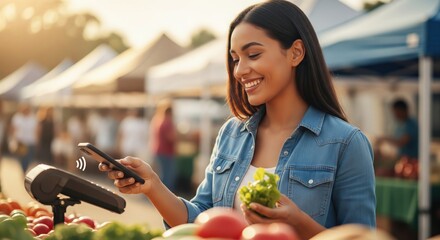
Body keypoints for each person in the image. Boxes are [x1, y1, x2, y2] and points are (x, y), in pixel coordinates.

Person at [99, 1, 376, 239]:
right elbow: (202, 222)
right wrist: (154, 186)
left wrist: (297, 223)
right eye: (234, 59)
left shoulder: (346, 143)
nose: (240, 70)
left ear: (296, 53)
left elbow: (363, 237)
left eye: (253, 54)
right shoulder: (232, 133)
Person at [150, 100, 177, 192]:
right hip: (166, 151)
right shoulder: (167, 122)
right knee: (167, 175)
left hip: (158, 150)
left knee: (160, 174)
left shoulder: (157, 120)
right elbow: (171, 137)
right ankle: (166, 195)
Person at [10, 102, 38, 174]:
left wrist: (37, 139)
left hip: (30, 141)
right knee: (22, 158)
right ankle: (24, 170)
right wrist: (13, 139)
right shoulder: (17, 117)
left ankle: (25, 169)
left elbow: (37, 129)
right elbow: (13, 129)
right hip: (21, 141)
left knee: (29, 157)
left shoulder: (33, 117)